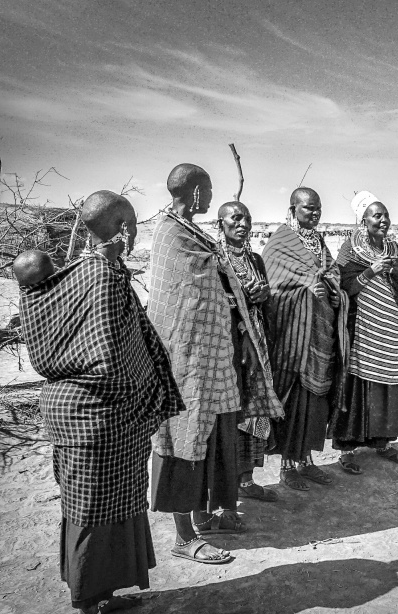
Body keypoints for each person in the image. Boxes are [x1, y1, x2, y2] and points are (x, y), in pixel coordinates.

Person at [18, 191, 183, 614]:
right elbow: (111, 357)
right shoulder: (101, 278)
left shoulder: (74, 273)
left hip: (81, 415)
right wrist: (144, 395)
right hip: (100, 417)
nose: (134, 232)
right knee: (91, 515)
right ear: (123, 226)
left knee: (103, 511)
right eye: (131, 222)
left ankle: (100, 597)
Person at [148, 164, 282, 565]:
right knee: (181, 439)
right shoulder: (172, 234)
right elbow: (179, 298)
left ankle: (204, 516)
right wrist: (225, 302)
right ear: (193, 193)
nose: (208, 198)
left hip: (212, 360)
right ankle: (183, 536)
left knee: (210, 439)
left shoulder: (190, 231)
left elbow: (210, 291)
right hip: (186, 360)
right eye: (206, 191)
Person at [263, 187, 345, 489]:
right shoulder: (280, 242)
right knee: (293, 398)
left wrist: (334, 292)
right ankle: (286, 466)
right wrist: (306, 290)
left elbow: (332, 273)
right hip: (291, 336)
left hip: (319, 334)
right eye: (309, 208)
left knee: (314, 401)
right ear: (293, 208)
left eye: (318, 208)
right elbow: (273, 286)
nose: (315, 213)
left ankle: (306, 461)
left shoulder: (319, 242)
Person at [330, 191, 398, 471]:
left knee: (387, 382)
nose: (384, 220)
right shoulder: (350, 249)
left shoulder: (393, 249)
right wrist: (372, 271)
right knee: (358, 385)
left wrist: (392, 279)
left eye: (386, 215)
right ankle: (347, 449)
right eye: (377, 215)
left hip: (388, 326)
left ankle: (383, 443)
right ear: (363, 220)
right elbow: (342, 285)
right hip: (362, 327)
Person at [215, 201, 280, 502]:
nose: (242, 224)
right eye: (235, 218)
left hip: (258, 343)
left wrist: (264, 294)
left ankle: (247, 479)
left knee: (255, 408)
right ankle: (227, 482)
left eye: (247, 219)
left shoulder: (255, 259)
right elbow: (218, 303)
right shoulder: (215, 261)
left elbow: (265, 298)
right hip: (229, 345)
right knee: (234, 408)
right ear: (221, 224)